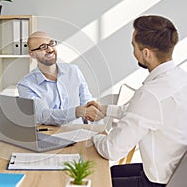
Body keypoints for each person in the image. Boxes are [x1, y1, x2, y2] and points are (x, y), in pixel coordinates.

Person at [89, 15, 187, 187]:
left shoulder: (151, 94)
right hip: (176, 171)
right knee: (110, 172)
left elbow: (111, 150)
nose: (133, 51)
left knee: (95, 180)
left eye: (134, 46)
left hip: (160, 182)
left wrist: (93, 137)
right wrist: (105, 109)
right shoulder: (179, 78)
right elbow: (140, 112)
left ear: (146, 53)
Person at [17, 31, 104, 125]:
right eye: (43, 47)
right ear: (32, 54)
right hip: (50, 137)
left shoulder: (74, 71)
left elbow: (87, 104)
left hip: (79, 132)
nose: (50, 49)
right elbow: (44, 115)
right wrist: (77, 111)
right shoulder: (26, 85)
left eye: (51, 43)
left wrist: (101, 131)